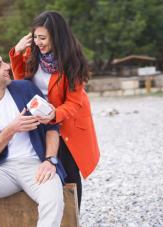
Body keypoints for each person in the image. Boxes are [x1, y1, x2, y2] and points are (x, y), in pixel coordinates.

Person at [0, 49, 67, 227]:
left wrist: (50, 160)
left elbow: (52, 126)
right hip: (2, 170)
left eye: (3, 62)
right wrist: (11, 129)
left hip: (36, 165)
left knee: (53, 198)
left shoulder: (25, 89)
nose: (7, 67)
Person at [9, 11, 100, 208]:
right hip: (41, 120)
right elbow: (21, 82)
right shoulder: (33, 54)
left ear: (56, 37)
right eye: (35, 37)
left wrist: (54, 114)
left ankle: (73, 217)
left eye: (43, 38)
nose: (38, 42)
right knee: (43, 168)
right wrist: (16, 53)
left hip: (67, 121)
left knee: (69, 171)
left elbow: (75, 102)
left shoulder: (72, 62)